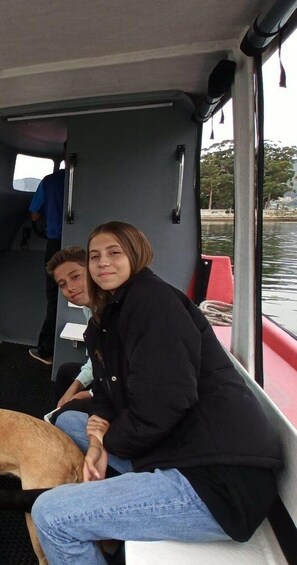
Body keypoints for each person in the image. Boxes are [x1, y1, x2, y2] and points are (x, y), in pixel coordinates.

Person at [31, 221, 282, 564]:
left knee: (51, 514)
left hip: (218, 483)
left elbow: (165, 403)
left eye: (114, 252)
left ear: (136, 254)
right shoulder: (109, 317)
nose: (102, 263)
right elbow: (106, 386)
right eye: (95, 256)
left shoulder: (153, 303)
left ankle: (98, 509)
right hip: (177, 448)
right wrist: (99, 426)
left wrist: (105, 445)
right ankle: (108, 506)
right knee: (71, 421)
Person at [45, 246, 93, 412]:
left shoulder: (115, 313)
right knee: (66, 371)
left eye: (76, 277)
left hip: (128, 392)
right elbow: (98, 360)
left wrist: (91, 394)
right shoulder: (89, 309)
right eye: (62, 284)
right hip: (108, 375)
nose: (70, 288)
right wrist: (71, 391)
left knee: (67, 416)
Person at [28, 168, 66, 365]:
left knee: (55, 298)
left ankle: (46, 351)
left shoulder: (50, 181)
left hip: (56, 244)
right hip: (84, 242)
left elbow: (34, 216)